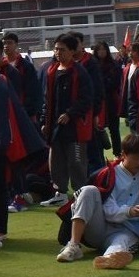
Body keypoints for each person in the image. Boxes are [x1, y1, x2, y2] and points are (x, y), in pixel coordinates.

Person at [54, 134, 139, 269]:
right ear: (123, 155)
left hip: (129, 231)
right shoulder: (108, 174)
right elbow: (108, 210)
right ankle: (73, 245)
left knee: (121, 243)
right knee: (88, 190)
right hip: (100, 228)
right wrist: (130, 211)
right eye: (136, 158)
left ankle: (109, 258)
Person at [41, 33, 97, 206]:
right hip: (55, 127)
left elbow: (87, 99)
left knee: (76, 162)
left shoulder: (80, 72)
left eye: (62, 49)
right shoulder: (51, 71)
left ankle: (82, 194)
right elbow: (46, 99)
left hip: (75, 127)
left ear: (73, 51)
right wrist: (45, 121)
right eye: (56, 49)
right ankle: (60, 193)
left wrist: (70, 113)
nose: (58, 52)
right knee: (55, 161)